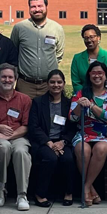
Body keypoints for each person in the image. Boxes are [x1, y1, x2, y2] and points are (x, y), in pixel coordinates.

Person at [74, 62, 107, 206]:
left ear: (105, 76)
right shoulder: (80, 93)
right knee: (83, 150)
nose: (97, 76)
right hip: (83, 133)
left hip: (104, 135)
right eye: (94, 73)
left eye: (100, 73)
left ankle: (86, 187)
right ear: (89, 75)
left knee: (100, 149)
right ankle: (91, 189)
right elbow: (72, 117)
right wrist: (78, 105)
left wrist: (91, 105)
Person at [30, 69, 78, 207]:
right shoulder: (38, 103)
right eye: (52, 82)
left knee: (68, 158)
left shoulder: (69, 104)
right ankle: (40, 194)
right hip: (44, 142)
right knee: (50, 158)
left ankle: (68, 193)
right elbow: (34, 127)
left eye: (59, 82)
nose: (55, 85)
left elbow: (72, 127)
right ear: (47, 84)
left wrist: (62, 142)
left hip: (63, 141)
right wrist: (49, 143)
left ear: (63, 84)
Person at [0, 64, 33, 209]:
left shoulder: (25, 99)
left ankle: (22, 194)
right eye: (3, 77)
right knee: (3, 147)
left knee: (21, 151)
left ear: (15, 79)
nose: (7, 80)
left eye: (10, 77)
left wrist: (12, 135)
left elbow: (27, 125)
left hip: (19, 135)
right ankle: (0, 188)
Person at [12, 0, 64, 97]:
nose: (37, 9)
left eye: (40, 6)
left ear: (46, 6)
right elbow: (13, 52)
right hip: (25, 85)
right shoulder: (19, 28)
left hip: (48, 85)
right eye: (33, 7)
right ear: (29, 8)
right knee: (24, 113)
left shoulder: (57, 28)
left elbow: (59, 54)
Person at [71, 24, 107, 92]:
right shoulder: (77, 58)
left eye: (92, 37)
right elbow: (76, 83)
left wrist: (99, 94)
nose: (89, 40)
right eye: (86, 38)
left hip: (105, 98)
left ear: (99, 38)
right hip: (83, 98)